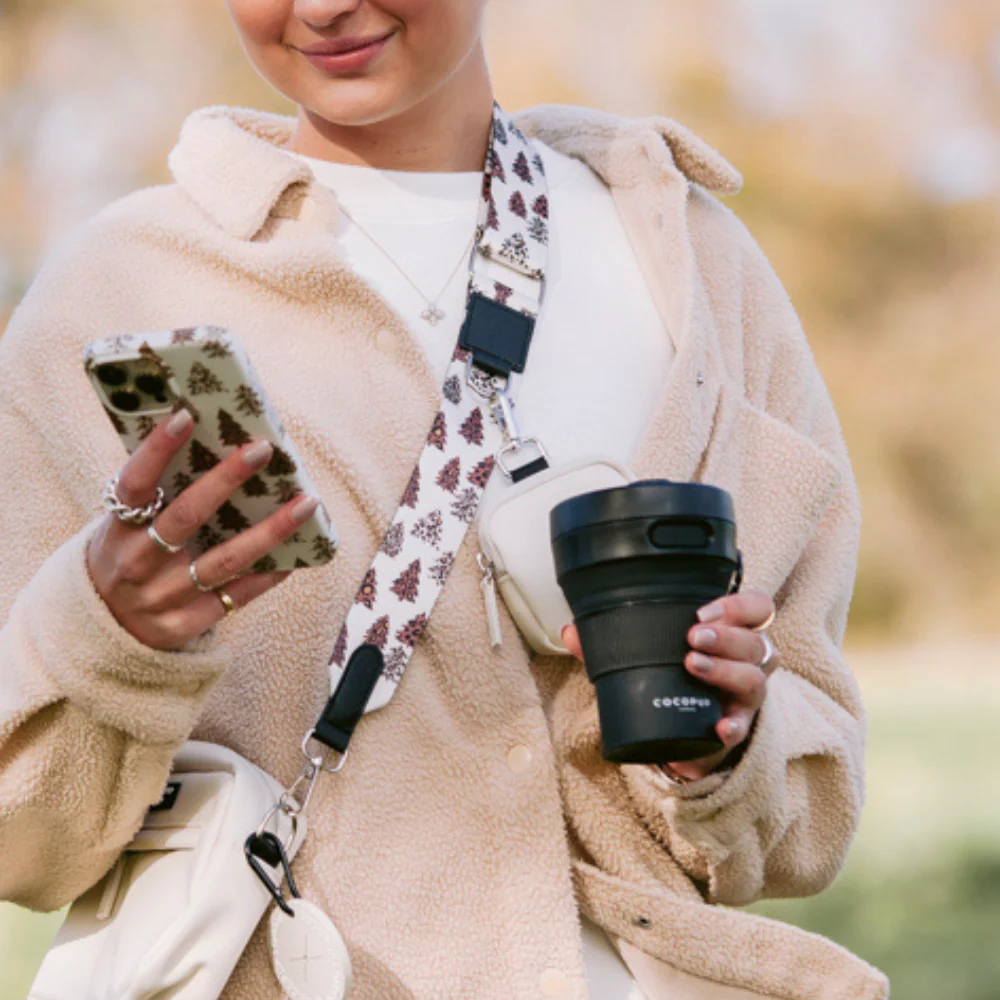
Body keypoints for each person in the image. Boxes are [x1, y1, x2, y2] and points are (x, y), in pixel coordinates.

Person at [0, 2, 889, 998]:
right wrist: (105, 639)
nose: (324, 7)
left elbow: (809, 809)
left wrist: (724, 738)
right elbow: (22, 842)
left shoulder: (690, 263)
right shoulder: (114, 291)